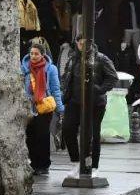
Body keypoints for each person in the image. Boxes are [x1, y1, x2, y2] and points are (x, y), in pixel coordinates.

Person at [62, 38, 120, 175]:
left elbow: (113, 77)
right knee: (67, 129)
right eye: (79, 43)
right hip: (74, 101)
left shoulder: (101, 58)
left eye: (85, 43)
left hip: (95, 103)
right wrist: (65, 91)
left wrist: (99, 89)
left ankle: (94, 166)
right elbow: (66, 77)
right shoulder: (73, 58)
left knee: (93, 134)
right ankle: (76, 162)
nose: (82, 46)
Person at [22, 40, 63, 176]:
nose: (33, 56)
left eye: (36, 54)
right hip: (28, 106)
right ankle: (33, 164)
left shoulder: (51, 69)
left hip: (44, 106)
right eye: (31, 53)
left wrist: (60, 108)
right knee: (30, 136)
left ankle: (44, 165)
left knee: (42, 136)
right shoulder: (24, 68)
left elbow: (55, 89)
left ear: (43, 55)